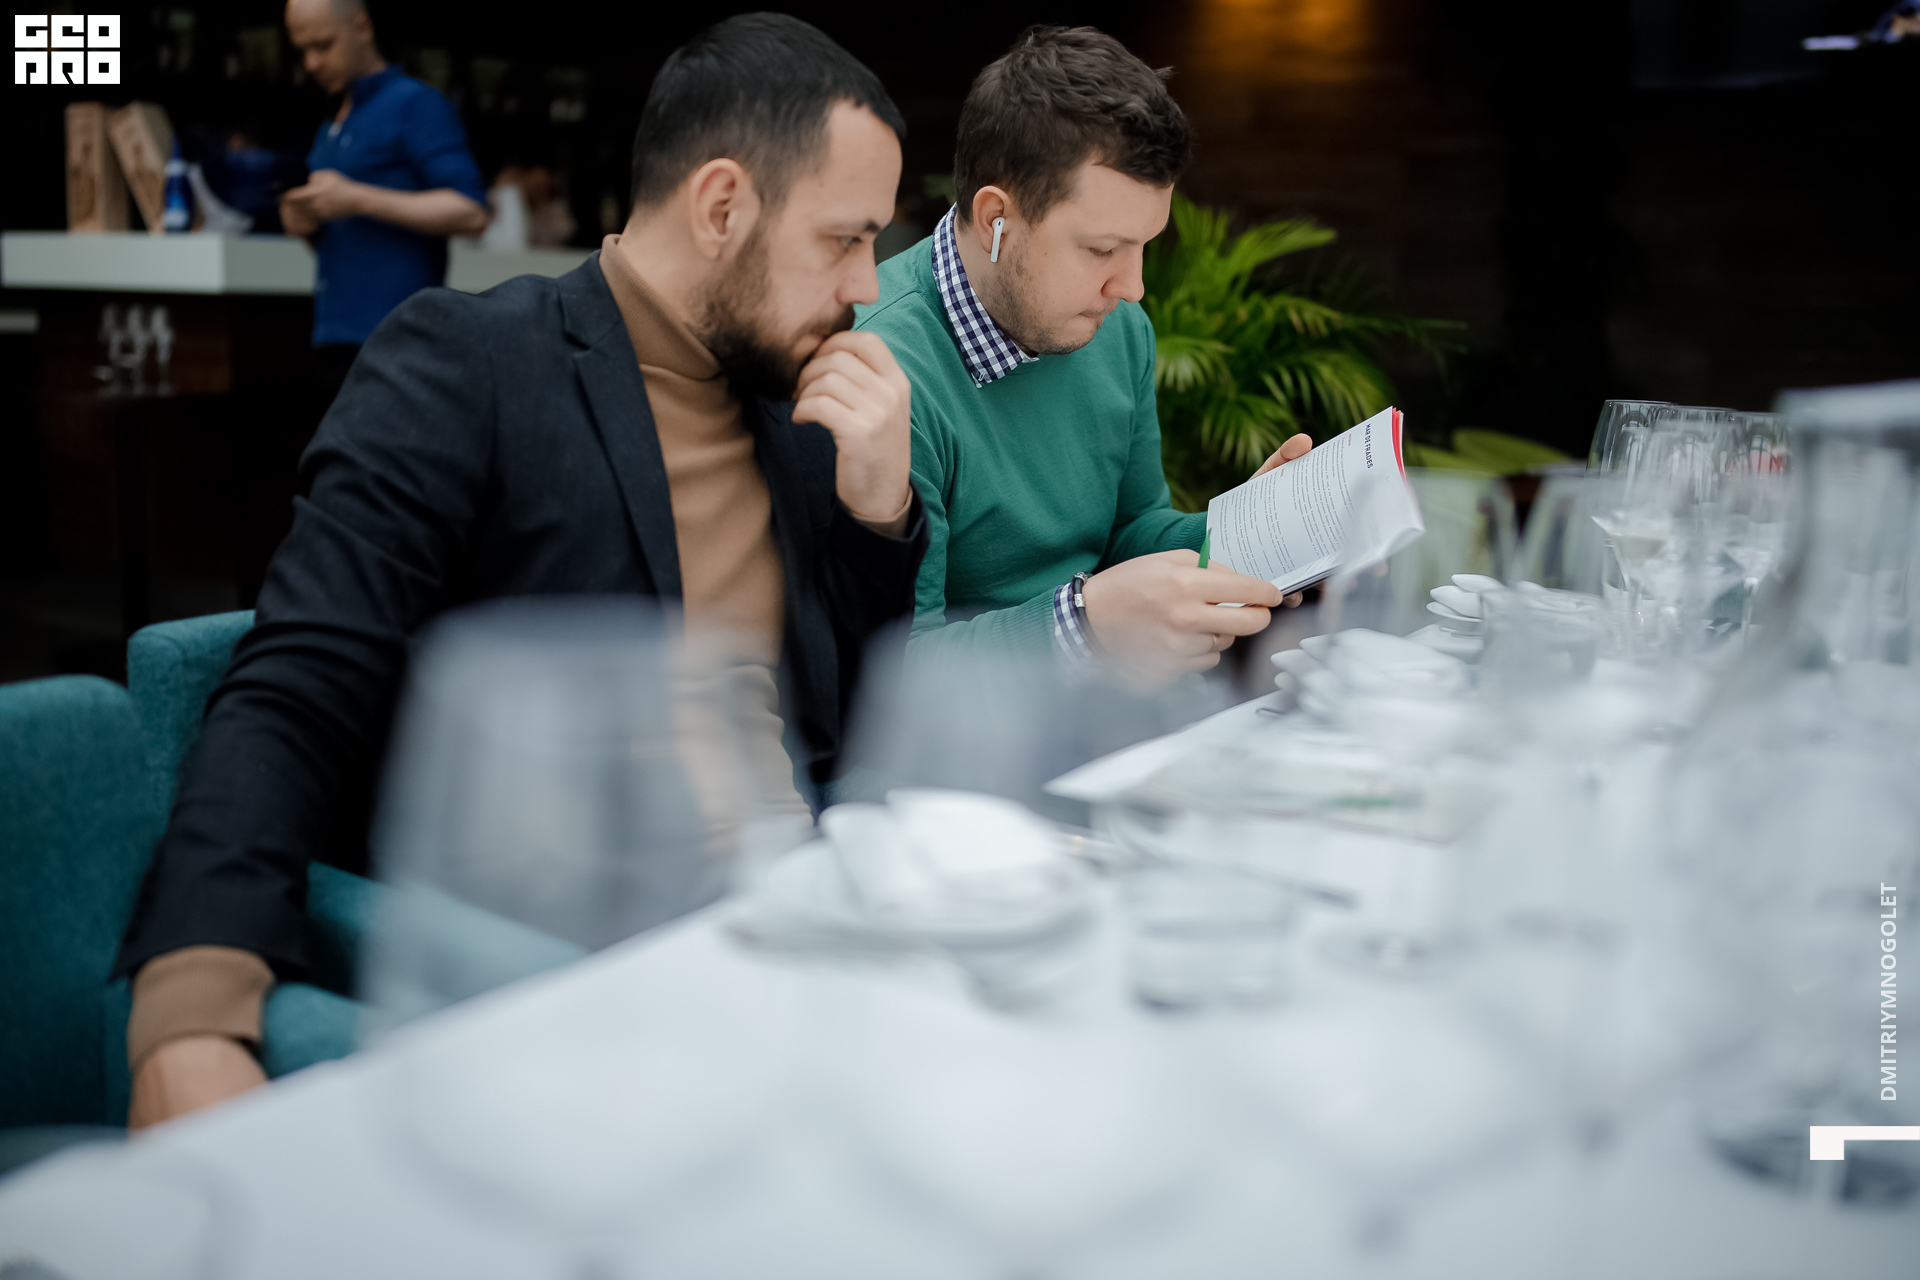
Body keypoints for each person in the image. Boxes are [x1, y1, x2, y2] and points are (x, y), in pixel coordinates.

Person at [114, 13, 925, 1128]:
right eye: (844, 239)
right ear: (722, 206)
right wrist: (193, 1010)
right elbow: (300, 682)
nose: (868, 285)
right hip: (590, 980)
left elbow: (858, 735)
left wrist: (881, 516)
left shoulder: (795, 407)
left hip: (815, 936)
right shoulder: (470, 364)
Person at [855, 26, 1313, 679]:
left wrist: (1247, 532)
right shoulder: (879, 372)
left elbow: (1132, 529)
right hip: (958, 740)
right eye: (1102, 249)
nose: (1133, 287)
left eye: (1144, 245)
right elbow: (896, 670)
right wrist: (1085, 625)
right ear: (995, 220)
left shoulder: (1117, 328)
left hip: (1106, 715)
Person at [280, 0, 490, 388]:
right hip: (334, 335)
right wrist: (306, 224)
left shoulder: (415, 103)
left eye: (323, 45)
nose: (311, 63)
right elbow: (349, 238)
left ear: (362, 27)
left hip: (401, 338)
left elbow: (471, 210)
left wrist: (357, 198)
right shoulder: (332, 122)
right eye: (303, 50)